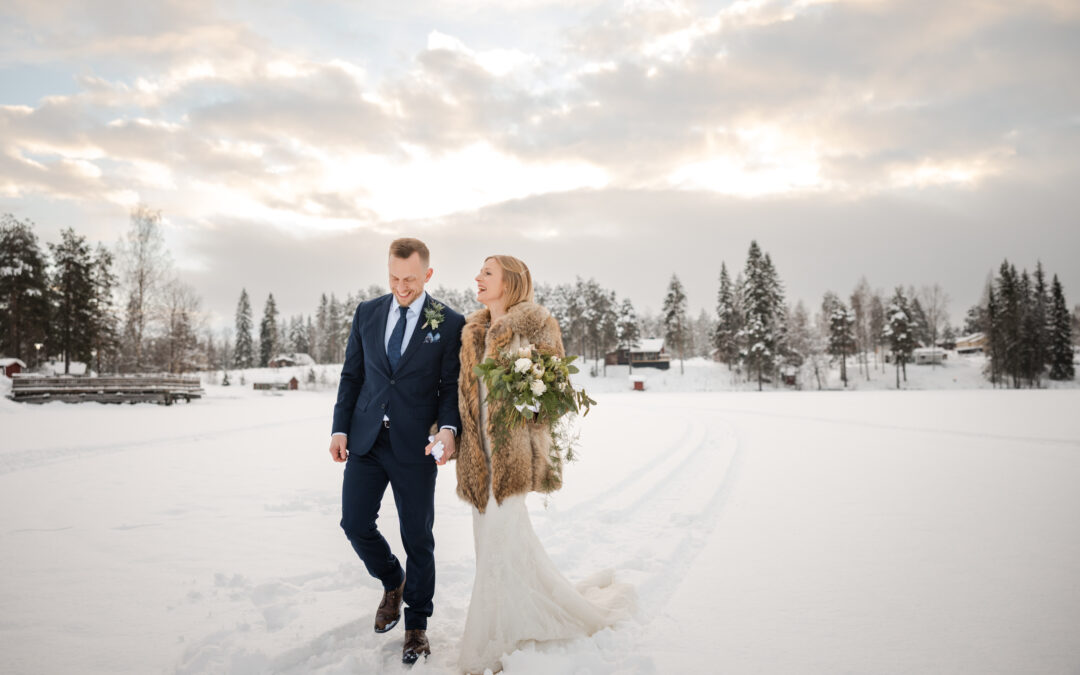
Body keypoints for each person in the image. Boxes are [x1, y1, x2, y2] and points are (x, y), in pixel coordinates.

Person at [452, 255, 634, 675]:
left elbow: (558, 394)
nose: (477, 278)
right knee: (495, 548)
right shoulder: (471, 333)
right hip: (478, 460)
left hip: (513, 458)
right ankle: (517, 618)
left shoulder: (536, 324)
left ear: (511, 282)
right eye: (480, 272)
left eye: (487, 273)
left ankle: (489, 645)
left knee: (500, 544)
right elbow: (462, 394)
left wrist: (527, 390)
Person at [328, 237, 465, 665]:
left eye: (409, 279)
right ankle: (393, 579)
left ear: (427, 274)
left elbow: (449, 389)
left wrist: (447, 429)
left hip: (415, 447)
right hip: (367, 439)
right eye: (393, 277)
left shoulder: (449, 321)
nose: (401, 287)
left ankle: (417, 626)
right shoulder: (367, 313)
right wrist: (339, 429)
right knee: (354, 523)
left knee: (418, 538)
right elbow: (353, 375)